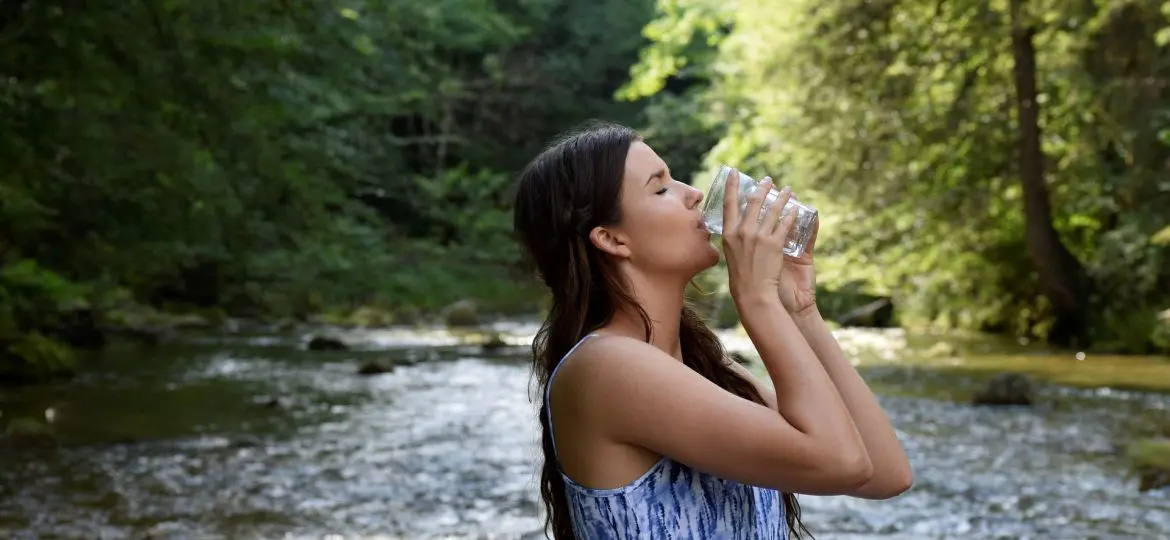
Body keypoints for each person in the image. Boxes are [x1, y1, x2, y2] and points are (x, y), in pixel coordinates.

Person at [512, 121, 913, 540]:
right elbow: (841, 462)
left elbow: (885, 473)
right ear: (612, 239)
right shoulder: (605, 366)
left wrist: (801, 311)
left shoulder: (708, 370)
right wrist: (756, 298)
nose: (695, 194)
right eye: (661, 187)